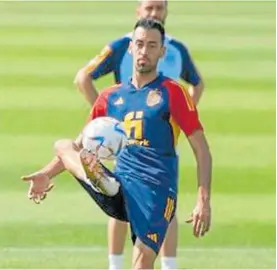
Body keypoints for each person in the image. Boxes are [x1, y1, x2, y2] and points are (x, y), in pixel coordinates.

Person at [23, 19, 212, 270]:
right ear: (131, 48)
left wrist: (203, 200)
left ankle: (102, 179)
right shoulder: (109, 97)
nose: (145, 51)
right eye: (140, 44)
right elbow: (79, 145)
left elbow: (202, 149)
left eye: (152, 46)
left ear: (162, 52)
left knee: (143, 260)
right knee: (64, 145)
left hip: (155, 191)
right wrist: (46, 174)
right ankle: (104, 180)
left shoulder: (173, 93)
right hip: (121, 185)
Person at [74, 1, 204, 269]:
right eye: (149, 8)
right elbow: (82, 78)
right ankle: (115, 264)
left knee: (164, 206)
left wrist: (180, 116)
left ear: (166, 11)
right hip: (123, 140)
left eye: (159, 8)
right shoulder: (121, 45)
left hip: (160, 135)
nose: (154, 13)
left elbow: (197, 83)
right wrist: (106, 125)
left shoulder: (177, 49)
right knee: (121, 201)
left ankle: (168, 265)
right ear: (138, 11)